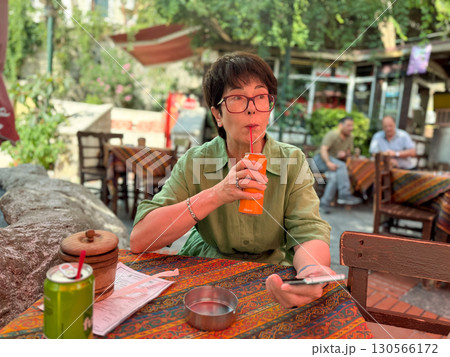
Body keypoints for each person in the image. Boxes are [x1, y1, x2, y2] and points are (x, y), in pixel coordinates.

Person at [130, 52, 334, 308]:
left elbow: (308, 231)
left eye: (261, 97)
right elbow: (140, 239)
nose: (252, 108)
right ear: (217, 114)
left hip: (270, 274)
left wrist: (311, 274)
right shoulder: (196, 161)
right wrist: (217, 193)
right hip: (204, 268)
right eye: (237, 98)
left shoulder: (291, 160)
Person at [313, 117, 362, 213]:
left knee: (334, 177)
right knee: (342, 166)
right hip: (320, 161)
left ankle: (324, 204)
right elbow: (323, 150)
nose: (351, 128)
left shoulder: (350, 137)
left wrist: (344, 154)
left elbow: (348, 153)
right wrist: (328, 163)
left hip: (334, 164)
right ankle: (344, 194)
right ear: (341, 126)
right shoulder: (332, 134)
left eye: (352, 126)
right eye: (348, 125)